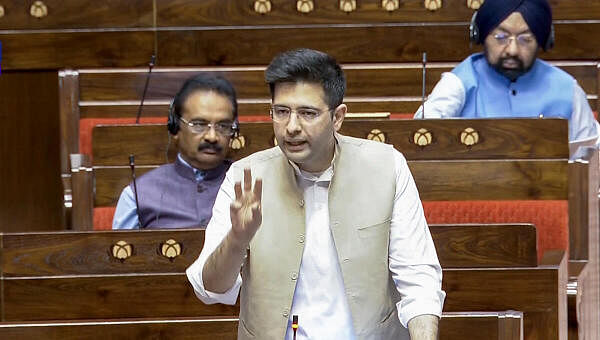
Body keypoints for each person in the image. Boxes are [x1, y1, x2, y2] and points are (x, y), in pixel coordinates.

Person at [187, 49, 445, 339]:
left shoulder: (387, 166)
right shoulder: (245, 178)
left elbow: (418, 278)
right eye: (281, 112)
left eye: (307, 113)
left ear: (338, 117)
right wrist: (237, 239)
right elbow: (210, 289)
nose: (292, 127)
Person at [415, 0, 599, 149]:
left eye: (525, 39)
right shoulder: (460, 82)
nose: (512, 50)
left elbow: (592, 149)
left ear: (543, 41)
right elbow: (421, 136)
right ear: (479, 35)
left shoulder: (566, 89)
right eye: (501, 37)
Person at [112, 73, 238, 229]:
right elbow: (119, 251)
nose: (212, 137)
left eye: (223, 126)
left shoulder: (251, 185)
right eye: (199, 124)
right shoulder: (137, 195)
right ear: (176, 127)